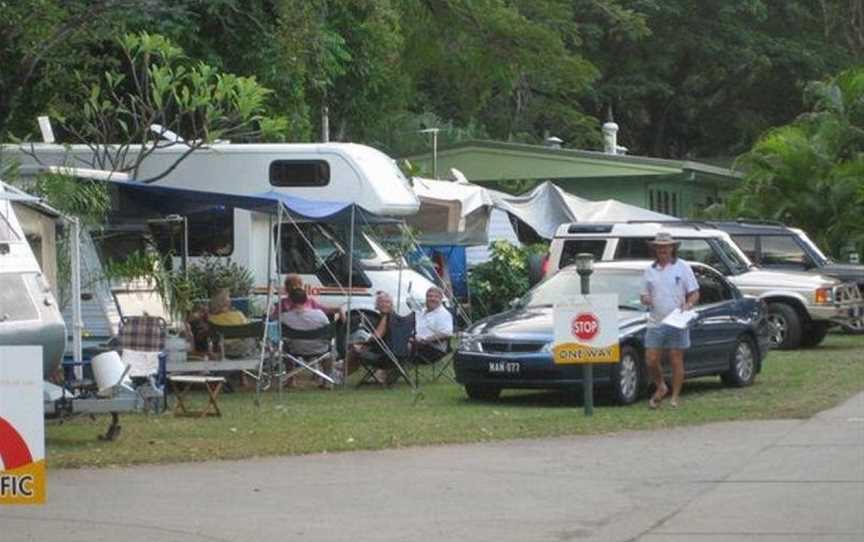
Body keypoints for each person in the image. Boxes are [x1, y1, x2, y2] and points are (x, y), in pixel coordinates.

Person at [640, 232, 700, 409]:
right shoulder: (649, 270)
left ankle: (675, 397)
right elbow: (643, 294)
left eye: (666, 247)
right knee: (651, 359)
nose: (663, 250)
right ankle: (661, 386)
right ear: (655, 249)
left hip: (677, 319)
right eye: (659, 247)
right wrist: (646, 299)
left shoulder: (682, 267)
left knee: (675, 357)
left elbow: (695, 292)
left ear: (672, 248)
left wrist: (689, 304)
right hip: (656, 320)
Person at [280, 288, 333, 389]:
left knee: (285, 346)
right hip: (319, 348)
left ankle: (291, 380)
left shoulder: (285, 317)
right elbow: (328, 332)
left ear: (290, 301)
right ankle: (327, 381)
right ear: (306, 300)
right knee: (329, 350)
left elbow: (282, 335)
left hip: (295, 349)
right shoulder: (320, 314)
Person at [346, 291, 396, 384]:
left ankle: (339, 375)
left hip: (384, 356)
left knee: (355, 351)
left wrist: (360, 344)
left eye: (387, 302)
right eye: (381, 302)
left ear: (391, 304)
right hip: (396, 354)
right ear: (377, 305)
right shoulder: (397, 317)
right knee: (359, 346)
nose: (384, 304)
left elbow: (376, 337)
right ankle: (339, 371)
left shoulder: (386, 317)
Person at [411, 286, 453, 363]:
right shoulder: (422, 311)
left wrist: (425, 340)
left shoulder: (444, 314)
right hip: (416, 343)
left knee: (404, 347)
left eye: (436, 297)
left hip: (433, 349)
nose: (432, 299)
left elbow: (446, 333)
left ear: (441, 299)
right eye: (429, 296)